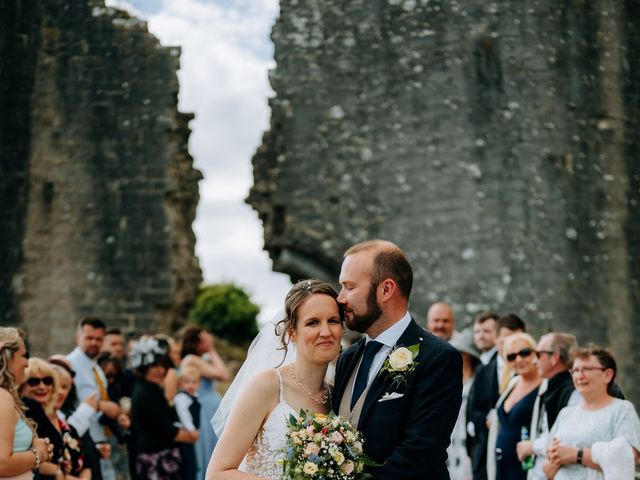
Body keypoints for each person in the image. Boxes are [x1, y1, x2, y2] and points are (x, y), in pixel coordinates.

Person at [333, 239, 462, 479]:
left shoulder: (438, 358)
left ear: (386, 289)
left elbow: (420, 452)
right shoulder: (347, 358)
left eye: (349, 287)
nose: (340, 298)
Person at [206, 279, 344, 479]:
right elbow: (217, 474)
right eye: (313, 322)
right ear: (292, 333)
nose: (326, 332)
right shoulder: (267, 386)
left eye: (333, 321)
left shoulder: (337, 395)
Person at [543, 346, 640, 479]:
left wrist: (575, 455)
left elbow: (628, 458)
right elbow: (547, 469)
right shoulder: (566, 414)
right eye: (575, 370)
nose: (579, 376)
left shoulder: (622, 410)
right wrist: (556, 459)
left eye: (587, 369)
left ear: (608, 375)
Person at [130, 336, 199, 479]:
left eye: (163, 366)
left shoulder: (152, 388)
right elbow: (162, 427)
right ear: (144, 367)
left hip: (160, 454)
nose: (160, 370)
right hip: (154, 458)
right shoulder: (145, 393)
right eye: (154, 366)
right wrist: (189, 436)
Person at [467, 313, 525, 480]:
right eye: (507, 338)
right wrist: (487, 421)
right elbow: (472, 411)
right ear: (497, 339)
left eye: (518, 338)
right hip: (485, 451)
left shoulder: (528, 370)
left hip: (517, 450)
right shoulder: (483, 371)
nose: (513, 344)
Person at [516, 333, 579, 479]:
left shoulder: (573, 392)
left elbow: (567, 438)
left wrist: (532, 446)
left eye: (538, 354)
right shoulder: (552, 386)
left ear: (555, 358)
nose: (534, 361)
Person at [67, 317, 123, 480]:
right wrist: (102, 406)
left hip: (100, 438)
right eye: (89, 338)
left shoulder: (97, 368)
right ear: (78, 337)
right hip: (81, 438)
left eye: (98, 339)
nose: (94, 343)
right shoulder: (70, 365)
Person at [487, 333, 541, 480]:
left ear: (536, 353)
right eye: (511, 356)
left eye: (524, 353)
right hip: (501, 464)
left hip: (527, 466)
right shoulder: (512, 383)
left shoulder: (544, 387)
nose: (519, 359)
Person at [0, 327, 51, 480]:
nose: (27, 364)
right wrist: (39, 454)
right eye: (24, 356)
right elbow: (2, 463)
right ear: (7, 358)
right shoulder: (2, 399)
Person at [180, 326, 230, 480]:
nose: (210, 340)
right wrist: (212, 349)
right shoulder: (192, 359)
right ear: (197, 342)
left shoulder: (199, 359)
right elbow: (223, 374)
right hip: (203, 409)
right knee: (206, 447)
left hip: (209, 407)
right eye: (205, 339)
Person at [20, 357, 65, 480]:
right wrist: (59, 472)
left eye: (47, 380)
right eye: (34, 382)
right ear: (21, 385)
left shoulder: (51, 413)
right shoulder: (27, 409)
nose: (42, 386)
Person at [447, 328, 481, 480]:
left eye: (460, 352)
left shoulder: (478, 380)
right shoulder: (449, 378)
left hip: (467, 439)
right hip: (449, 437)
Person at [174, 366, 201, 480]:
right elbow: (183, 414)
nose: (190, 385)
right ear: (181, 384)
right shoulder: (181, 397)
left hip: (191, 433)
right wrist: (191, 429)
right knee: (186, 461)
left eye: (194, 382)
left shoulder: (195, 396)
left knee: (192, 461)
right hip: (184, 431)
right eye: (187, 382)